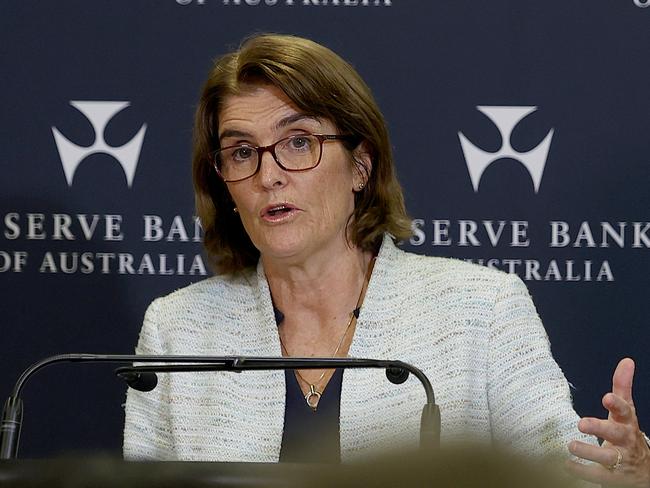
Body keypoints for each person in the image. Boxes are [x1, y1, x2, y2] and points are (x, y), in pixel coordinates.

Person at [123, 33, 650, 486]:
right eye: (242, 152)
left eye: (298, 142)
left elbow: (562, 472)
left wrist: (627, 472)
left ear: (360, 165)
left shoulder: (481, 308)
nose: (268, 176)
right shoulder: (177, 329)